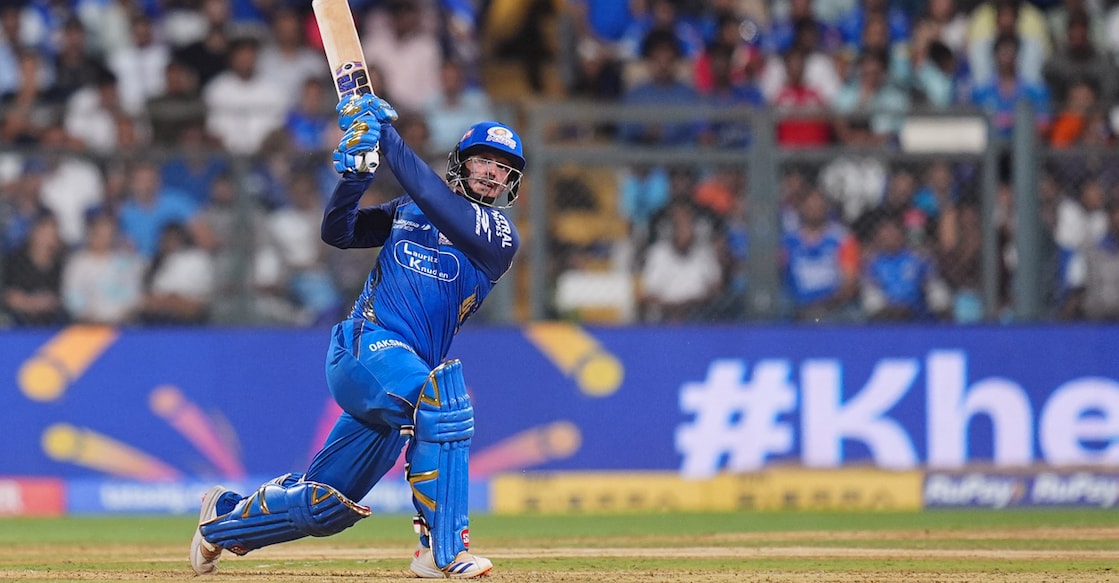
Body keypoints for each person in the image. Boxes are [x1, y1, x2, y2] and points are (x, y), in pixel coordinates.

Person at [189, 93, 525, 579]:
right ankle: (442, 551)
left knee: (327, 505)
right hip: (366, 346)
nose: (493, 172)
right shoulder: (409, 209)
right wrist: (355, 178)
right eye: (484, 160)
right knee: (442, 402)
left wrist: (386, 137)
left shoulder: (498, 235)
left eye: (505, 168)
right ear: (461, 162)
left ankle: (222, 520)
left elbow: (436, 200)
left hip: (397, 376)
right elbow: (338, 232)